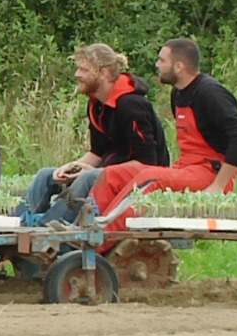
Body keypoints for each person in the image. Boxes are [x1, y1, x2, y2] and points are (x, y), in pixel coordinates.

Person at [89, 38, 237, 235]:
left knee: (150, 179)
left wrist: (218, 186)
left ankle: (100, 236)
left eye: (161, 60)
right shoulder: (178, 93)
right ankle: (81, 228)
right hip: (186, 168)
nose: (157, 65)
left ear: (178, 66)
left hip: (209, 173)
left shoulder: (210, 92)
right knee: (112, 175)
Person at [20, 43, 169, 224]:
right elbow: (97, 152)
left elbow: (147, 163)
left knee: (88, 177)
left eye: (83, 70)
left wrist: (98, 172)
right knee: (46, 175)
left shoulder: (132, 105)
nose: (77, 75)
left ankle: (47, 232)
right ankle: (14, 225)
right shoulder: (96, 104)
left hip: (142, 178)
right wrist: (73, 166)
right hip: (109, 172)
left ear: (103, 73)